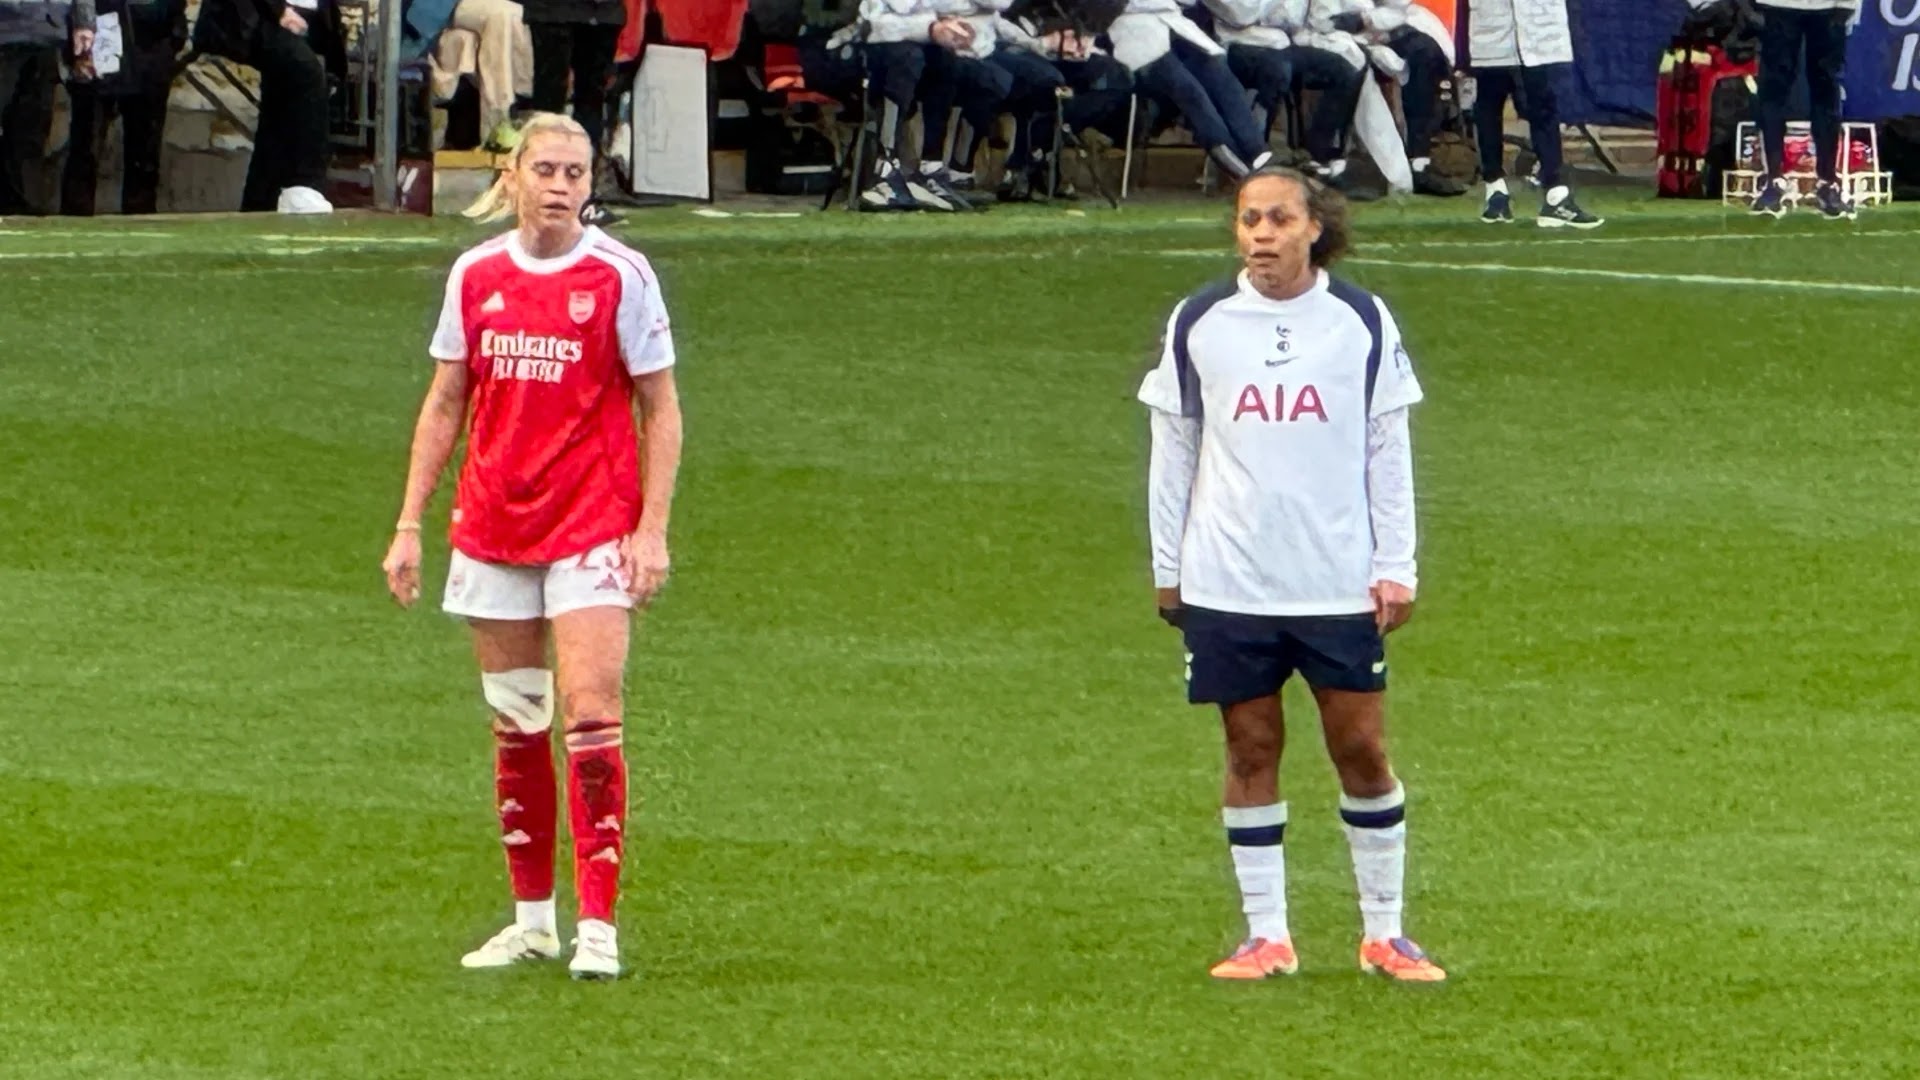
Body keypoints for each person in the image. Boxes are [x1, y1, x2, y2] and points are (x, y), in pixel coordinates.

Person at [381, 112, 682, 981]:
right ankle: (533, 920)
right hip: (493, 527)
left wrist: (651, 530)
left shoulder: (622, 276)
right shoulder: (476, 275)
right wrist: (409, 523)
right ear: (511, 177)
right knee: (518, 722)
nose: (560, 186)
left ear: (592, 184)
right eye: (545, 170)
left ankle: (598, 926)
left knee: (591, 713)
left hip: (592, 525)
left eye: (576, 173)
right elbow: (445, 402)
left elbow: (661, 407)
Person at [1137, 166, 1444, 984]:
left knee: (1362, 749)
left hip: (1337, 579)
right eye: (1247, 220)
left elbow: (1388, 445)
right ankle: (1265, 936)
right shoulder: (1201, 320)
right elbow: (1173, 448)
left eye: (1277, 219)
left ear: (1316, 228)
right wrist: (1169, 566)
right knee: (1249, 747)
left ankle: (1385, 932)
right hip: (1229, 578)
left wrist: (1396, 565)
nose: (1261, 235)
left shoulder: (1360, 320)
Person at [190, 0, 338, 213]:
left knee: (284, 101)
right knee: (304, 69)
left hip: (298, 19)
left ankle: (261, 199)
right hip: (249, 17)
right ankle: (303, 184)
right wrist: (280, 11)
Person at [1463, 0, 1600, 227]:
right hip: (1492, 28)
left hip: (1539, 28)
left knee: (1544, 109)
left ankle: (1556, 194)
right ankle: (1495, 190)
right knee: (1489, 106)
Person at [61, 0, 186, 215]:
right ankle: (74, 221)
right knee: (86, 144)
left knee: (145, 152)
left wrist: (174, 31)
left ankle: (141, 224)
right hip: (101, 33)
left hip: (151, 40)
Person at [1748, 0, 1857, 219]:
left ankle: (1828, 182)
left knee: (1826, 88)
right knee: (1773, 89)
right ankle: (1773, 181)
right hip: (1780, 4)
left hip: (1832, 6)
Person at [520, 0, 623, 224]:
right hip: (558, 12)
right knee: (554, 103)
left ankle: (582, 195)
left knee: (585, 100)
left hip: (596, 12)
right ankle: (540, 193)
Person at [1, 0, 92, 215]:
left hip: (47, 31)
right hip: (8, 29)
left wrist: (84, 23)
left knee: (33, 128)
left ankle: (24, 206)